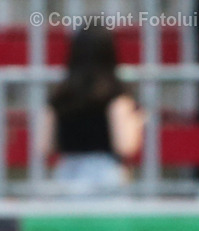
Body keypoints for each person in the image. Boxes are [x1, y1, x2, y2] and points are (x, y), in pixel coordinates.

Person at [42, 26, 145, 196]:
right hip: (105, 176)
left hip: (67, 175)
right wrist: (136, 121)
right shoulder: (115, 97)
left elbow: (44, 145)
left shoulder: (60, 96)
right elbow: (126, 146)